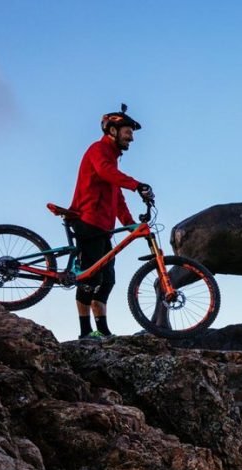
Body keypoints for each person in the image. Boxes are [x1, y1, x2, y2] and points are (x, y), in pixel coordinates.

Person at [69, 104, 154, 339]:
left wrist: (130, 224)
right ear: (113, 130)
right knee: (89, 277)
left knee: (107, 280)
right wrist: (138, 184)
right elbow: (106, 172)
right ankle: (85, 332)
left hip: (104, 228)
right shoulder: (98, 150)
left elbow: (117, 198)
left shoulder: (112, 160)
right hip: (88, 220)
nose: (132, 138)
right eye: (129, 132)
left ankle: (103, 330)